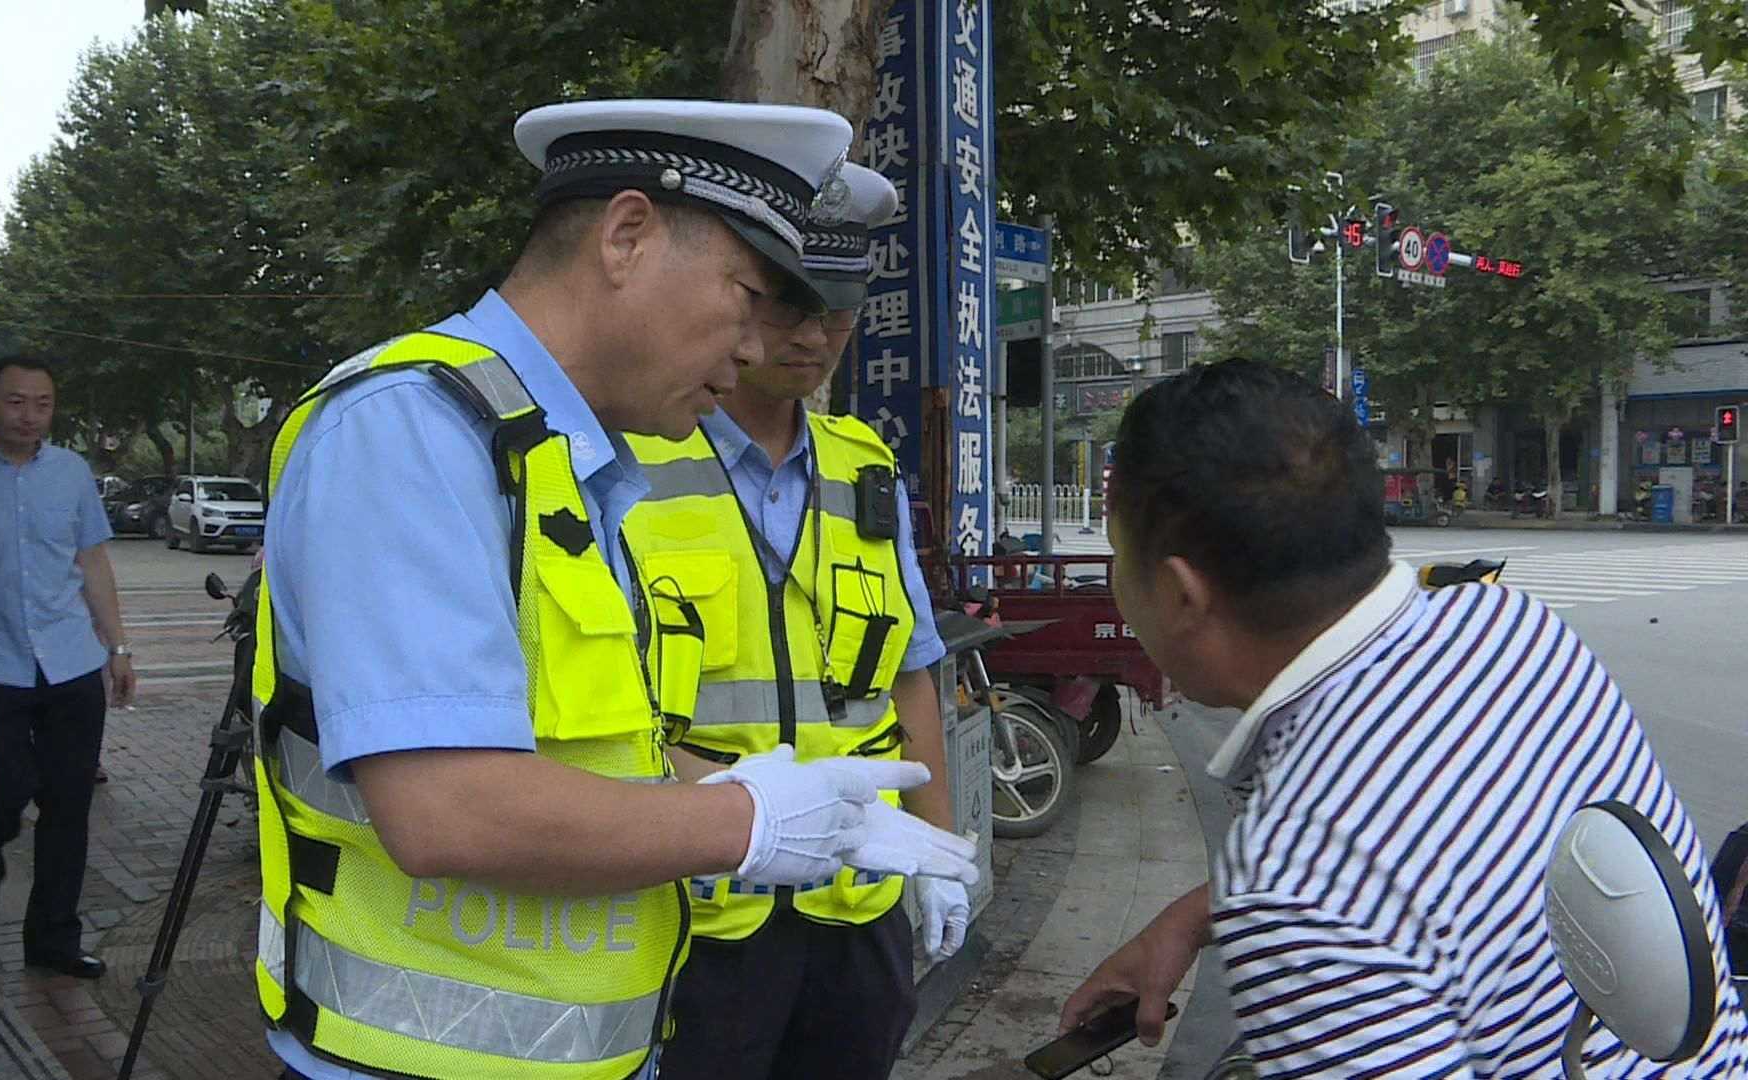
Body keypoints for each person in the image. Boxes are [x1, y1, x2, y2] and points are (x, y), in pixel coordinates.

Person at [253, 100, 980, 1080]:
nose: (754, 343)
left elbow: (590, 757)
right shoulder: (410, 429)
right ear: (627, 236)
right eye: (746, 293)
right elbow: (442, 808)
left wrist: (821, 813)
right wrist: (746, 822)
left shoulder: (565, 465)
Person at [1060, 360, 1747, 1076]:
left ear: (1179, 595)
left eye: (1116, 555)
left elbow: (1336, 875)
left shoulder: (1296, 897)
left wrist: (1259, 908)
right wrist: (1195, 918)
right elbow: (1441, 842)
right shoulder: (1510, 626)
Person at [621, 162, 961, 1080]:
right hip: (701, 902)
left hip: (856, 906)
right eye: (789, 308)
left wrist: (939, 849)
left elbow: (911, 667)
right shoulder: (630, 461)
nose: (816, 337)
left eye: (838, 313)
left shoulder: (867, 467)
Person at [0, 354, 136, 980]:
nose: (29, 415)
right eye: (15, 402)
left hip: (68, 663)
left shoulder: (70, 472)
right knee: (2, 788)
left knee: (68, 807)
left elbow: (91, 563)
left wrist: (116, 648)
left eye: (42, 404)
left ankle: (54, 938)